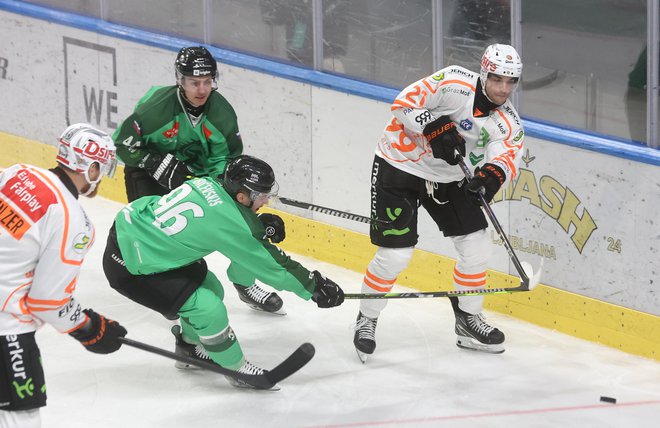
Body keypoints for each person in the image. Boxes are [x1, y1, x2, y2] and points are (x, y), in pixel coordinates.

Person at [102, 154, 344, 389]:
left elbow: (219, 217)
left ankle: (188, 347)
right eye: (261, 196)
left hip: (141, 235)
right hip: (131, 265)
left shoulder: (208, 182)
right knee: (208, 309)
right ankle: (236, 370)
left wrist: (255, 225)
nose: (266, 201)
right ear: (241, 196)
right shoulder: (231, 219)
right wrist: (313, 286)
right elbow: (273, 265)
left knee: (211, 288)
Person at [353, 44, 524, 362]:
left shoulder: (508, 122)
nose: (504, 89)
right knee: (395, 256)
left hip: (448, 178)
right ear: (484, 73)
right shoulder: (453, 82)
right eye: (498, 79)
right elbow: (403, 104)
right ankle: (367, 317)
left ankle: (468, 320)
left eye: (511, 81)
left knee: (477, 246)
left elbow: (505, 159)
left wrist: (487, 180)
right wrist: (435, 128)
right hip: (400, 165)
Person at [113, 45, 287, 315]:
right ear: (180, 80)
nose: (202, 90)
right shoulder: (155, 108)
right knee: (160, 233)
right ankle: (176, 292)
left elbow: (228, 160)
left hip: (199, 177)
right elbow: (122, 145)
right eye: (194, 82)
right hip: (149, 174)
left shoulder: (222, 113)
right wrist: (153, 161)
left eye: (207, 82)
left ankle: (245, 282)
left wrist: (222, 185)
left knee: (238, 223)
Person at [0, 124, 127, 427]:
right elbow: (46, 301)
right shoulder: (73, 221)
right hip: (6, 326)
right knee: (21, 418)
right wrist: (90, 327)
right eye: (102, 167)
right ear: (91, 167)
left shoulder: (18, 173)